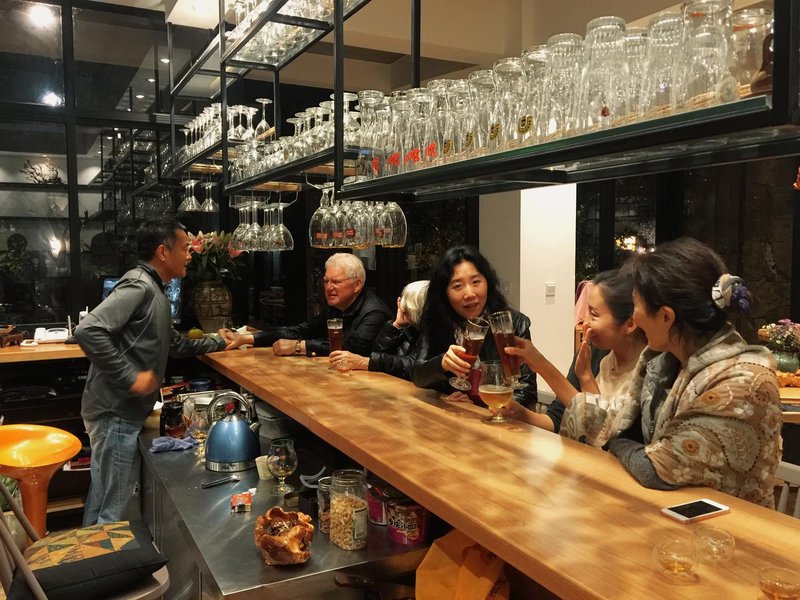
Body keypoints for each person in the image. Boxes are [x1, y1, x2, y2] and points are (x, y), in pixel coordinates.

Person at [530, 238, 780, 507]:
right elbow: (618, 417)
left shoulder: (742, 381)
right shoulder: (665, 362)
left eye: (636, 305)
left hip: (734, 523)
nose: (634, 318)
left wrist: (618, 442)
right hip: (668, 510)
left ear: (666, 317)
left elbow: (657, 467)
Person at [74, 217, 233, 525]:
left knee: (103, 498)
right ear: (163, 252)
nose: (189, 256)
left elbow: (174, 343)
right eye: (184, 249)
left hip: (117, 410)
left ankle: (87, 554)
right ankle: (106, 557)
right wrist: (131, 377)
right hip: (115, 411)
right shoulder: (139, 285)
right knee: (114, 511)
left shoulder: (156, 290)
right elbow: (88, 330)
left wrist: (219, 340)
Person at [499, 269, 648, 445]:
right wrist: (522, 414)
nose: (585, 322)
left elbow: (605, 437)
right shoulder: (595, 353)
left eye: (594, 314)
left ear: (630, 324)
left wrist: (542, 365)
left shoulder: (651, 372)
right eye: (587, 311)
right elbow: (557, 418)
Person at [411, 246, 537, 407]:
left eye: (476, 282)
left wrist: (485, 405)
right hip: (456, 415)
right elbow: (418, 375)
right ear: (444, 293)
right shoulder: (436, 321)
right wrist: (442, 363)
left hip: (500, 417)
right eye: (457, 286)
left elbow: (527, 392)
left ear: (488, 282)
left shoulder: (514, 324)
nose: (470, 294)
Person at [227, 253, 392, 357]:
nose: (328, 288)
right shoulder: (337, 307)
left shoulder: (374, 312)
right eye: (326, 281)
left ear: (357, 285)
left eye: (336, 282)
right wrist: (247, 338)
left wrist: (299, 346)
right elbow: (300, 330)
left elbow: (352, 349)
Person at [328, 280, 428, 379]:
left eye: (336, 282)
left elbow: (414, 366)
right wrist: (396, 325)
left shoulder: (430, 332)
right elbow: (378, 352)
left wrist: (368, 362)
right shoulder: (409, 326)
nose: (402, 307)